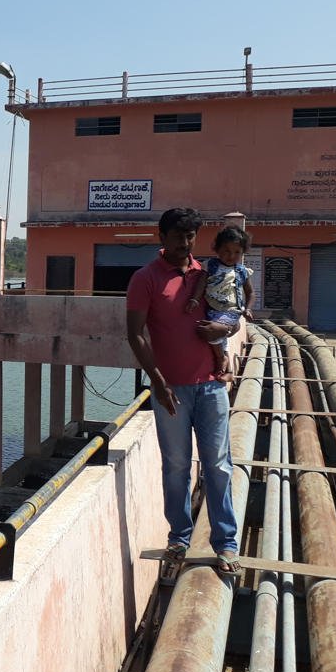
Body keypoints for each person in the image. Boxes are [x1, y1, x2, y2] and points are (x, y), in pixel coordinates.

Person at [125, 207, 240, 574]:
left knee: (219, 466)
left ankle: (226, 544)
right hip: (171, 390)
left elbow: (233, 313)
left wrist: (224, 332)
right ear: (161, 236)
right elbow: (135, 333)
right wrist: (156, 380)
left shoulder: (207, 273)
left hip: (210, 388)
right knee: (176, 467)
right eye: (178, 237)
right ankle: (179, 537)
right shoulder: (145, 279)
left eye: (190, 237)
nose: (184, 244)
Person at [186, 226, 255, 382]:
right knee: (216, 334)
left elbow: (251, 293)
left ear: (243, 251)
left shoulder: (242, 271)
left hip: (231, 311)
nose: (231, 256)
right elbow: (201, 285)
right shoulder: (210, 266)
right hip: (213, 310)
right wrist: (195, 299)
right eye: (226, 251)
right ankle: (228, 370)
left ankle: (221, 358)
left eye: (237, 252)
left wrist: (248, 309)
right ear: (217, 249)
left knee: (213, 332)